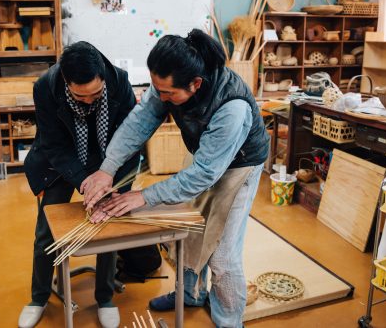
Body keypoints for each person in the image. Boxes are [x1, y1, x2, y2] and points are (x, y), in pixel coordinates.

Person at [82, 29, 270, 328]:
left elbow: (204, 175)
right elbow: (139, 122)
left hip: (240, 166)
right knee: (189, 234)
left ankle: (229, 322)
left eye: (167, 93)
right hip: (205, 155)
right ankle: (191, 295)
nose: (161, 97)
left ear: (195, 84)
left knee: (222, 256)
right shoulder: (170, 82)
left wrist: (144, 196)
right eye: (159, 90)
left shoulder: (232, 108)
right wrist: (108, 168)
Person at [19, 41, 142, 328]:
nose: (89, 100)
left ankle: (105, 297)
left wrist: (109, 176)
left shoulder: (119, 81)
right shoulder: (45, 87)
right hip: (59, 162)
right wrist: (85, 182)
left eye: (96, 94)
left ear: (102, 78)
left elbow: (130, 136)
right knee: (47, 232)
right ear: (66, 82)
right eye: (80, 95)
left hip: (109, 159)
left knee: (107, 228)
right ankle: (38, 297)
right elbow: (54, 145)